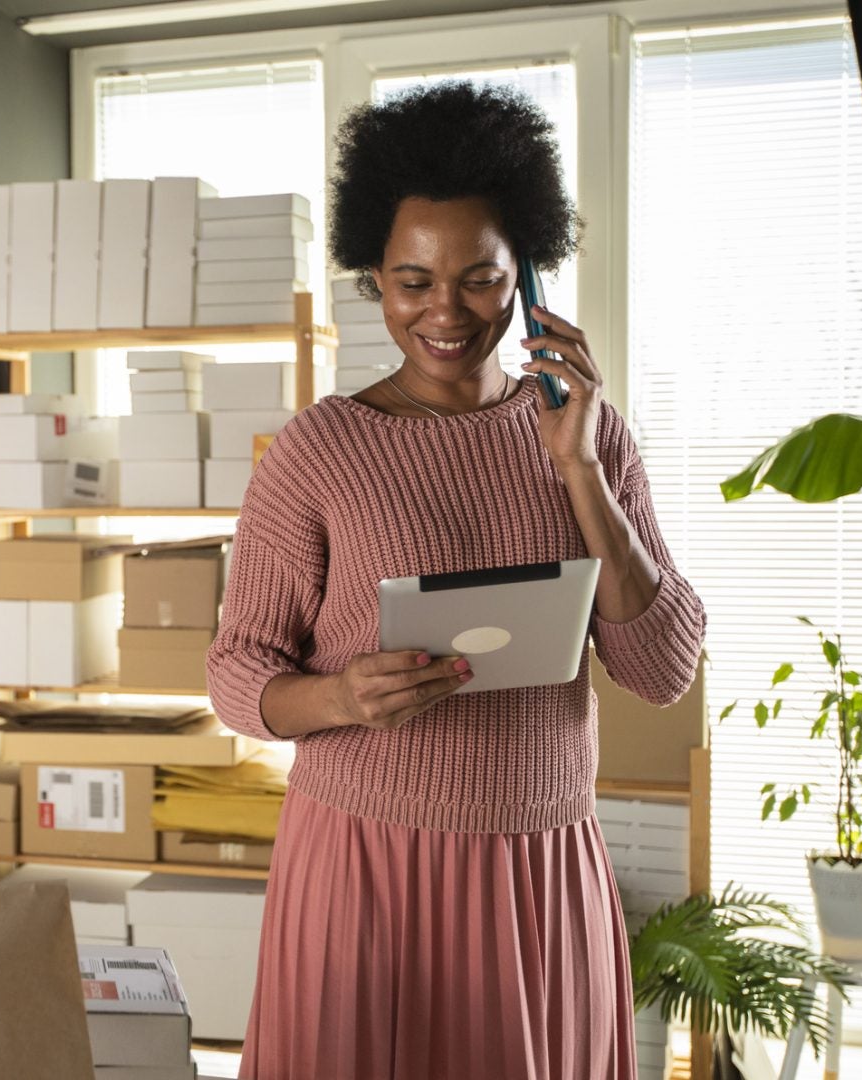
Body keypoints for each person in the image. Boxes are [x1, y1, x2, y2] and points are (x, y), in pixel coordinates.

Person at [206, 81, 707, 1079]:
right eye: (410, 281)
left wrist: (578, 467)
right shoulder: (318, 451)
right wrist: (338, 695)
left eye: (479, 279)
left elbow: (662, 669)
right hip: (363, 865)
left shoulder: (591, 434)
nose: (444, 312)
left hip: (537, 865)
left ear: (526, 276)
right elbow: (236, 673)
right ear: (374, 280)